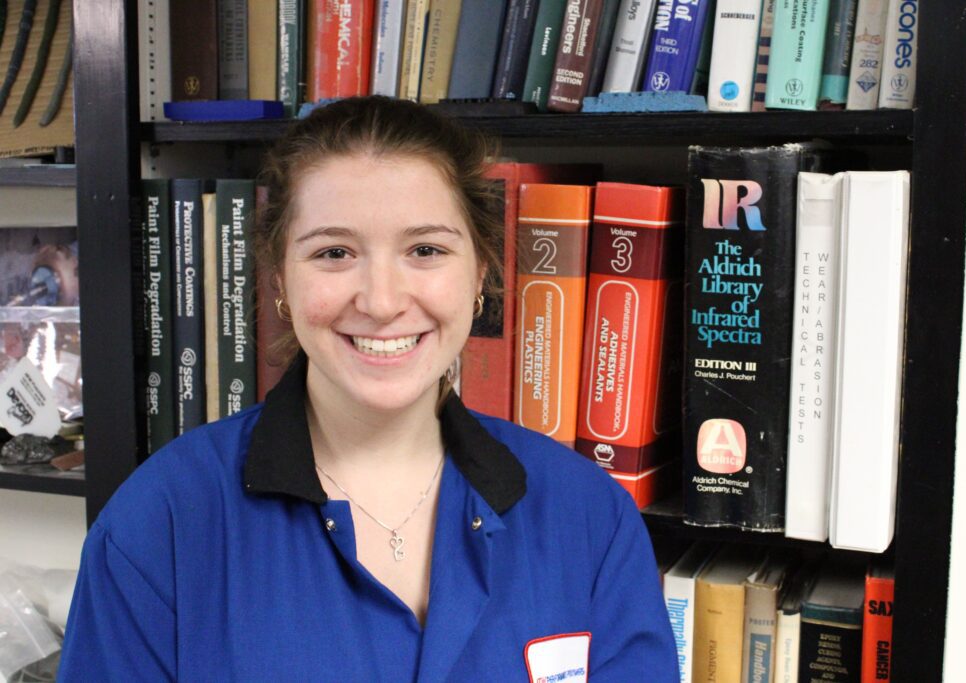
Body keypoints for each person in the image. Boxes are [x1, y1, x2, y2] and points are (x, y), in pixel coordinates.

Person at [58, 96, 677, 681]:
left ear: (480, 273)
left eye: (426, 249)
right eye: (334, 253)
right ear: (281, 281)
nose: (382, 302)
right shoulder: (155, 529)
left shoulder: (591, 518)